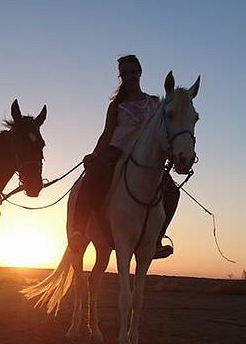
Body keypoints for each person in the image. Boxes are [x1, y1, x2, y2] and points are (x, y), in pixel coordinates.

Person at [70, 54, 180, 259]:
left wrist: (170, 151)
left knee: (172, 191)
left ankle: (156, 239)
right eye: (124, 74)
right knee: (91, 179)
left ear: (139, 73)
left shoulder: (154, 102)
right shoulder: (116, 106)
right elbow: (107, 132)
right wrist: (95, 154)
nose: (128, 77)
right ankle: (78, 228)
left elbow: (162, 131)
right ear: (121, 77)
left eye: (132, 72)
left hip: (146, 159)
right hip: (117, 151)